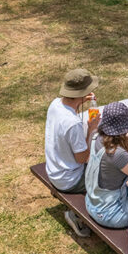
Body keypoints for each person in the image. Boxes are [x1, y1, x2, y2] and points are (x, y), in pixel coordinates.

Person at [45, 68, 101, 237]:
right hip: (70, 179)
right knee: (113, 174)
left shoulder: (55, 103)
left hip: (54, 168)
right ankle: (78, 215)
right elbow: (82, 158)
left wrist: (82, 99)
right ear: (82, 93)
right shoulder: (73, 123)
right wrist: (91, 129)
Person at [85, 102, 128, 228]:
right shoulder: (119, 154)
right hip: (112, 215)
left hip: (92, 202)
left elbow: (111, 147)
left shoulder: (95, 135)